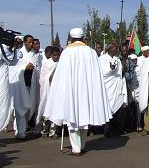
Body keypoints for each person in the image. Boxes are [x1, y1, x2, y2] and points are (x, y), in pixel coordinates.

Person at [43, 28, 112, 156]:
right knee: (84, 118)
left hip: (72, 91)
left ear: (71, 38)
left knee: (73, 119)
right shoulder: (91, 52)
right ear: (82, 37)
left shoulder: (67, 52)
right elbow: (96, 75)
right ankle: (82, 145)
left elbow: (61, 75)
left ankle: (76, 148)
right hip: (86, 90)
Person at [10, 34, 40, 139]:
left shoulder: (33, 54)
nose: (31, 44)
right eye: (29, 42)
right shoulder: (19, 53)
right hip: (20, 84)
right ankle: (19, 131)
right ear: (24, 42)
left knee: (29, 107)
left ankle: (24, 128)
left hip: (31, 84)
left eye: (32, 42)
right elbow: (13, 68)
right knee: (20, 107)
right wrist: (25, 67)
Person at [99, 43, 128, 137]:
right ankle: (106, 131)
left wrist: (123, 69)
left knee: (117, 107)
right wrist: (110, 69)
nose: (115, 50)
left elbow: (120, 73)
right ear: (109, 49)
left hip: (116, 87)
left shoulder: (117, 59)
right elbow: (102, 73)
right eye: (114, 48)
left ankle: (114, 129)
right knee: (108, 108)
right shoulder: (102, 59)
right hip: (107, 88)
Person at [36, 46, 61, 138]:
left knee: (55, 111)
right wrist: (48, 79)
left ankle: (52, 131)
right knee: (46, 109)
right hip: (47, 91)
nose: (56, 57)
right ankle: (44, 129)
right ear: (51, 55)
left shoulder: (60, 64)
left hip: (56, 91)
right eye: (54, 55)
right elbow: (42, 78)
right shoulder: (46, 63)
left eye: (58, 55)